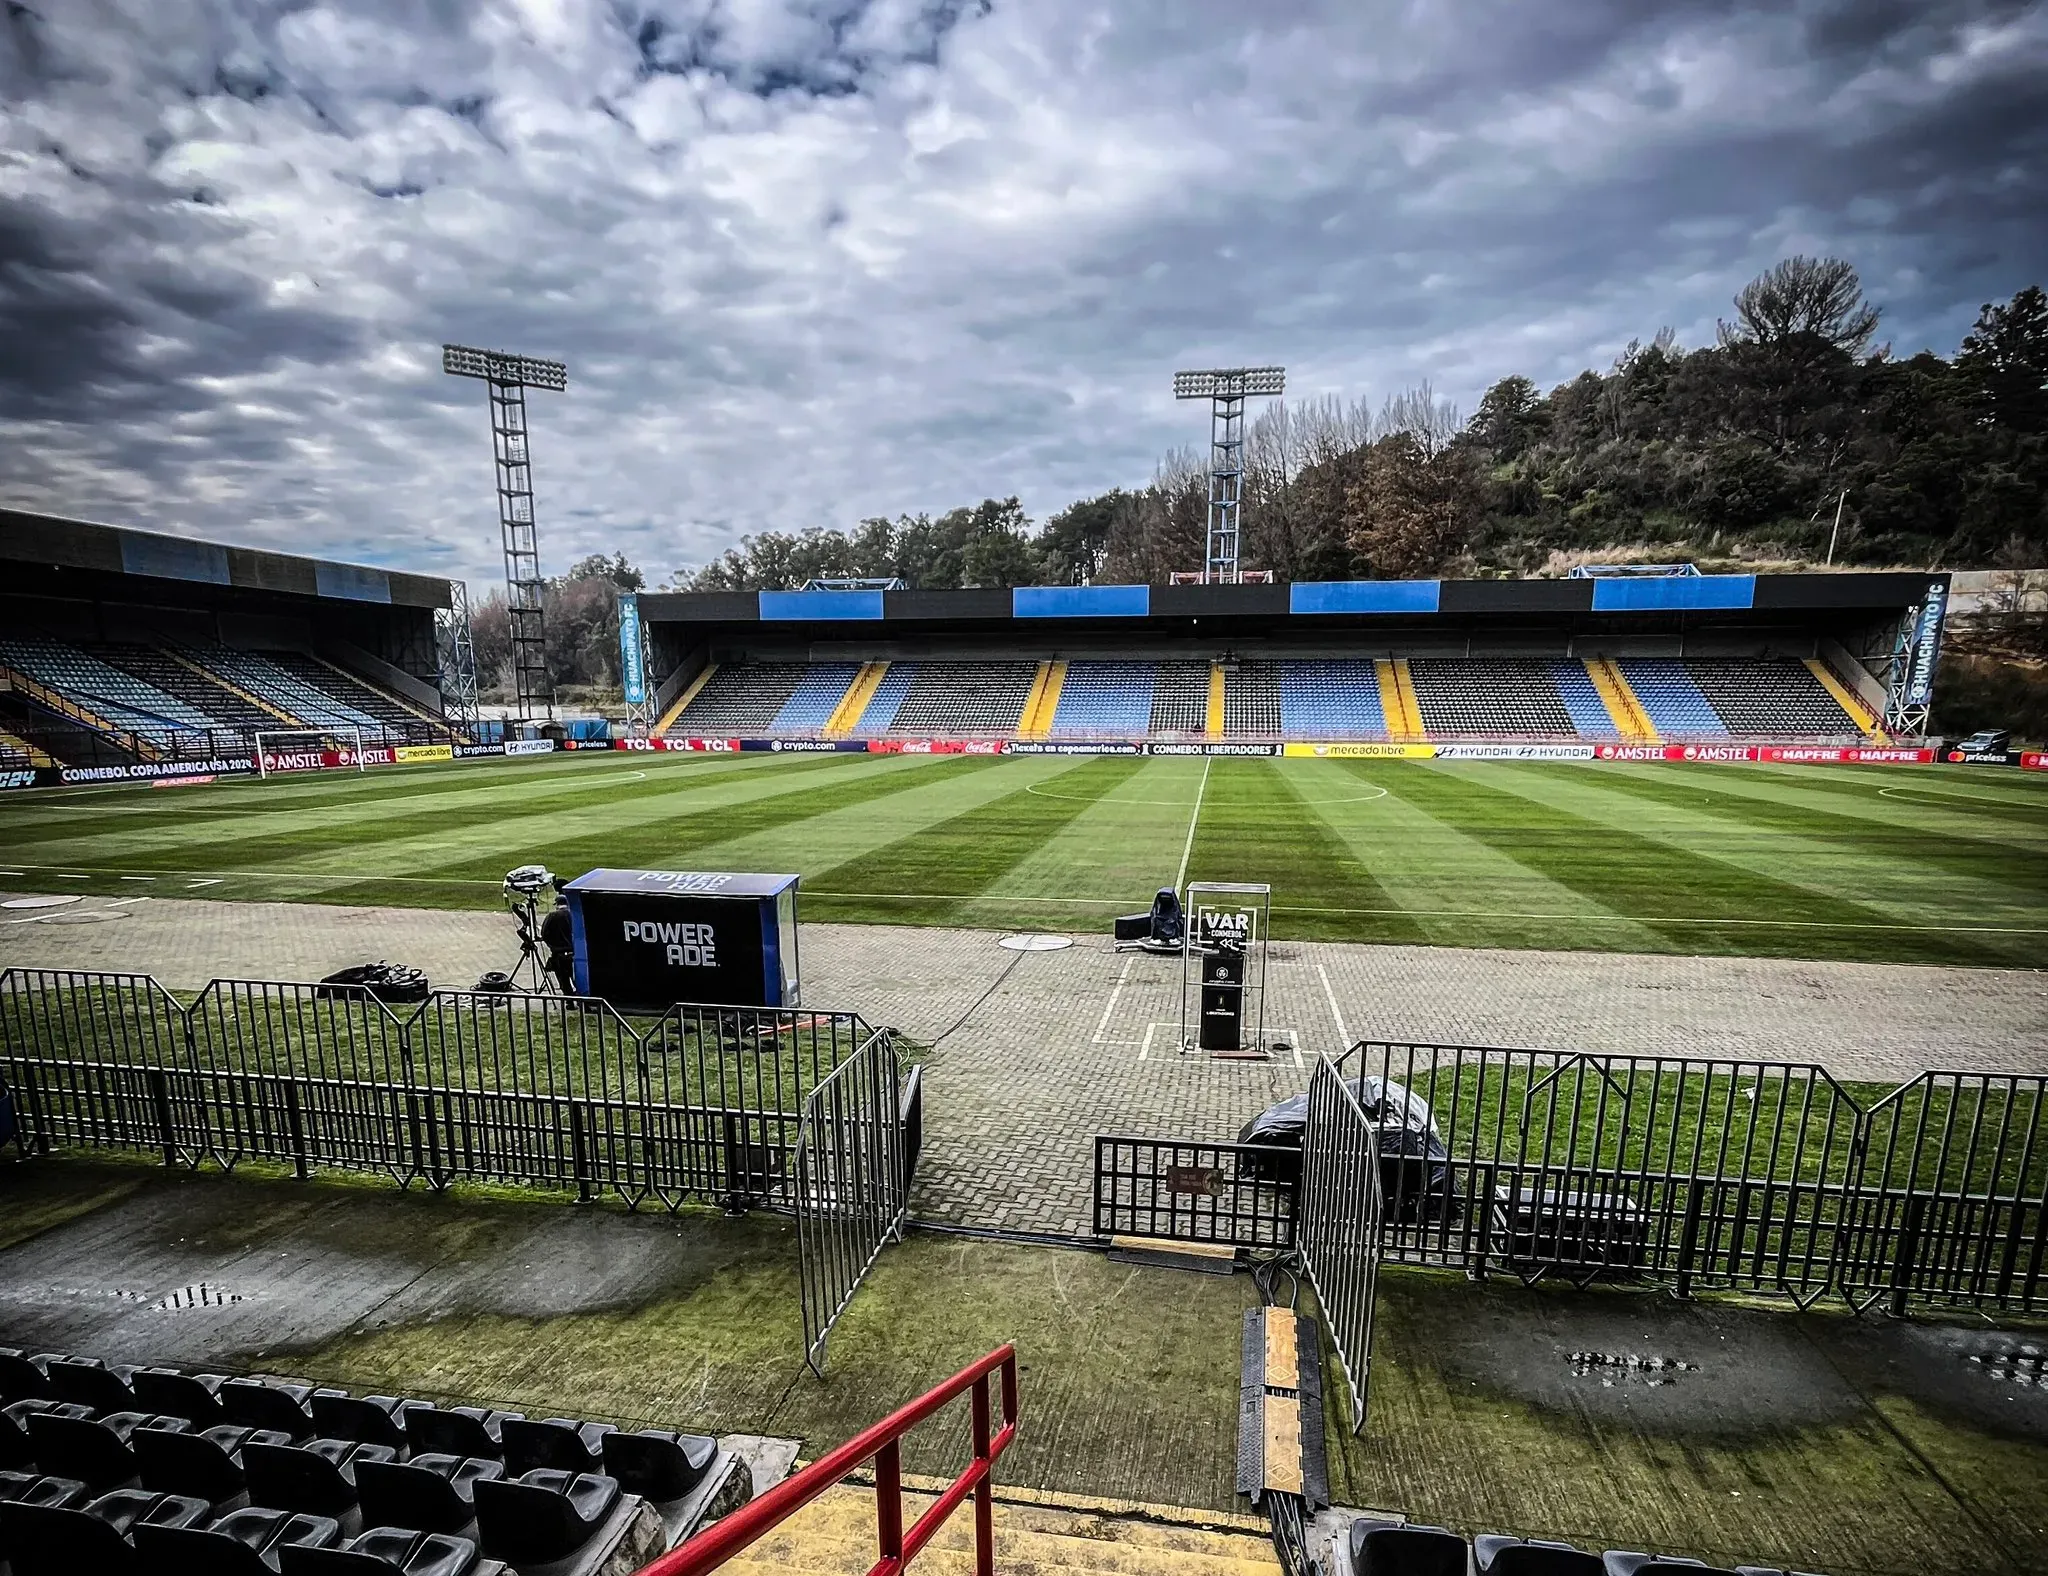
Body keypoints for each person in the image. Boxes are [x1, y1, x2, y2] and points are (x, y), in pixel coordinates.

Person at [539, 892, 576, 994]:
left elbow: (544, 934)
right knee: (576, 979)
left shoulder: (552, 916)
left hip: (559, 954)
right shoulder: (573, 915)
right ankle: (582, 1000)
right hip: (574, 954)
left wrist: (553, 945)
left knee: (564, 981)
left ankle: (569, 999)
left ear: (557, 904)